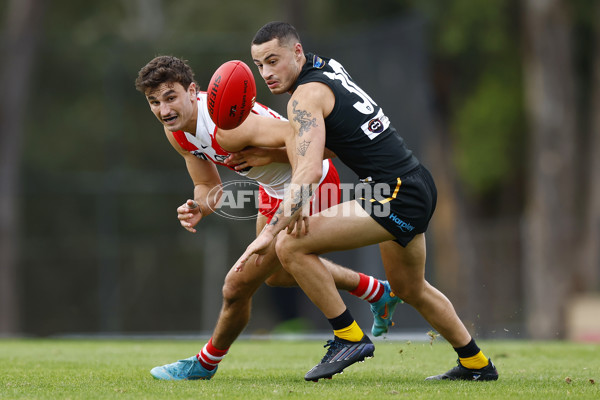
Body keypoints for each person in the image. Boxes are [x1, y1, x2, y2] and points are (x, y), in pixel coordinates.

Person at [234, 22, 499, 382]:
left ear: (297, 53)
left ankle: (348, 337)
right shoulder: (326, 67)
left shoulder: (304, 97)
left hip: (394, 194)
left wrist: (269, 232)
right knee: (409, 288)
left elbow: (310, 169)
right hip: (414, 182)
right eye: (259, 64)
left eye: (272, 60)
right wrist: (270, 155)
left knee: (289, 244)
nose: (266, 72)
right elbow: (330, 145)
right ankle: (476, 364)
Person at [134, 55, 403, 381]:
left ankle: (204, 364)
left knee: (236, 284)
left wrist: (298, 196)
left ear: (192, 91)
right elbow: (208, 185)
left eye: (170, 97)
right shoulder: (176, 132)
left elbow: (298, 136)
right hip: (273, 190)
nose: (164, 110)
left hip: (311, 185)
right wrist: (198, 206)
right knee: (275, 276)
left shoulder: (227, 127)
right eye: (154, 102)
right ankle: (377, 292)